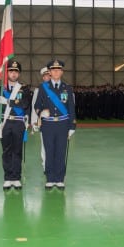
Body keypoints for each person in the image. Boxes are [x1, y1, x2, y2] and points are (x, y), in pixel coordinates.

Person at [0, 60, 31, 190]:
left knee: (17, 151)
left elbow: (25, 105)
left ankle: (16, 178)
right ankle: (8, 178)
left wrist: (8, 102)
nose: (13, 74)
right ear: (7, 73)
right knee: (6, 152)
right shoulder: (0, 89)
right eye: (11, 71)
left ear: (19, 74)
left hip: (18, 123)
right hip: (4, 123)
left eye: (16, 71)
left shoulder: (24, 89)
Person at [34, 60, 76, 190]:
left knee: (60, 151)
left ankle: (59, 179)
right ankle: (50, 178)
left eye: (59, 70)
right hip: (48, 125)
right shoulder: (43, 87)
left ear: (62, 72)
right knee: (49, 151)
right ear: (50, 72)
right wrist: (41, 112)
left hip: (63, 124)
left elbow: (71, 108)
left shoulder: (67, 88)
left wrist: (72, 127)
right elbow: (37, 106)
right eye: (54, 70)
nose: (56, 72)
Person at [31, 66, 51, 171]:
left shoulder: (58, 88)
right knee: (44, 144)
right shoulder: (39, 89)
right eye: (45, 75)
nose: (47, 77)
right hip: (44, 121)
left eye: (49, 75)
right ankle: (45, 165)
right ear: (43, 77)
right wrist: (34, 122)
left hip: (57, 122)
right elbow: (35, 105)